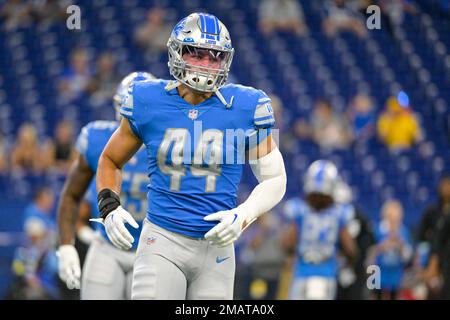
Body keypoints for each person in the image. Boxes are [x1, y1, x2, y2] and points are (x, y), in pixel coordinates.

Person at [95, 12, 287, 300]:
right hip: (162, 239)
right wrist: (108, 205)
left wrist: (243, 215)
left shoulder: (245, 106)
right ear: (177, 52)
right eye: (196, 55)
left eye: (214, 57)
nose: (206, 65)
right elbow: (110, 160)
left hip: (217, 249)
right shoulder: (149, 101)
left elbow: (275, 178)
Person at [56, 72, 156, 299]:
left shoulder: (170, 144)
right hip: (107, 246)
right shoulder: (98, 138)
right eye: (126, 108)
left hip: (154, 249)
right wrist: (66, 246)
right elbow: (71, 194)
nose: (132, 117)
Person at [282, 160, 357, 300]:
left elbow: (287, 243)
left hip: (303, 271)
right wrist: (346, 262)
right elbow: (350, 249)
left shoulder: (299, 211)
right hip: (326, 271)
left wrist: (291, 254)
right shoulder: (340, 213)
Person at [369, 200, 413, 300]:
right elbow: (370, 253)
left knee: (394, 295)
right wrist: (383, 246)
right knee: (375, 295)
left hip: (396, 273)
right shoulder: (377, 229)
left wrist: (401, 246)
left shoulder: (404, 231)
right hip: (376, 271)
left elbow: (408, 256)